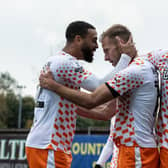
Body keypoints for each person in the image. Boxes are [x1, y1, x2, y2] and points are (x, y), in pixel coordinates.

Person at [39, 24, 160, 168]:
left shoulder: (133, 72)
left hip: (135, 150)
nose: (106, 58)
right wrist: (60, 102)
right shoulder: (142, 68)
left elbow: (92, 99)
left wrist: (54, 87)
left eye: (107, 51)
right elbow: (106, 112)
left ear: (121, 45)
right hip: (134, 149)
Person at [25, 21, 133, 168]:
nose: (96, 46)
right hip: (49, 146)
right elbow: (98, 86)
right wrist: (126, 58)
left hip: (50, 145)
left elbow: (92, 107)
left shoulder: (57, 61)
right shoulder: (65, 63)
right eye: (93, 40)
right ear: (78, 39)